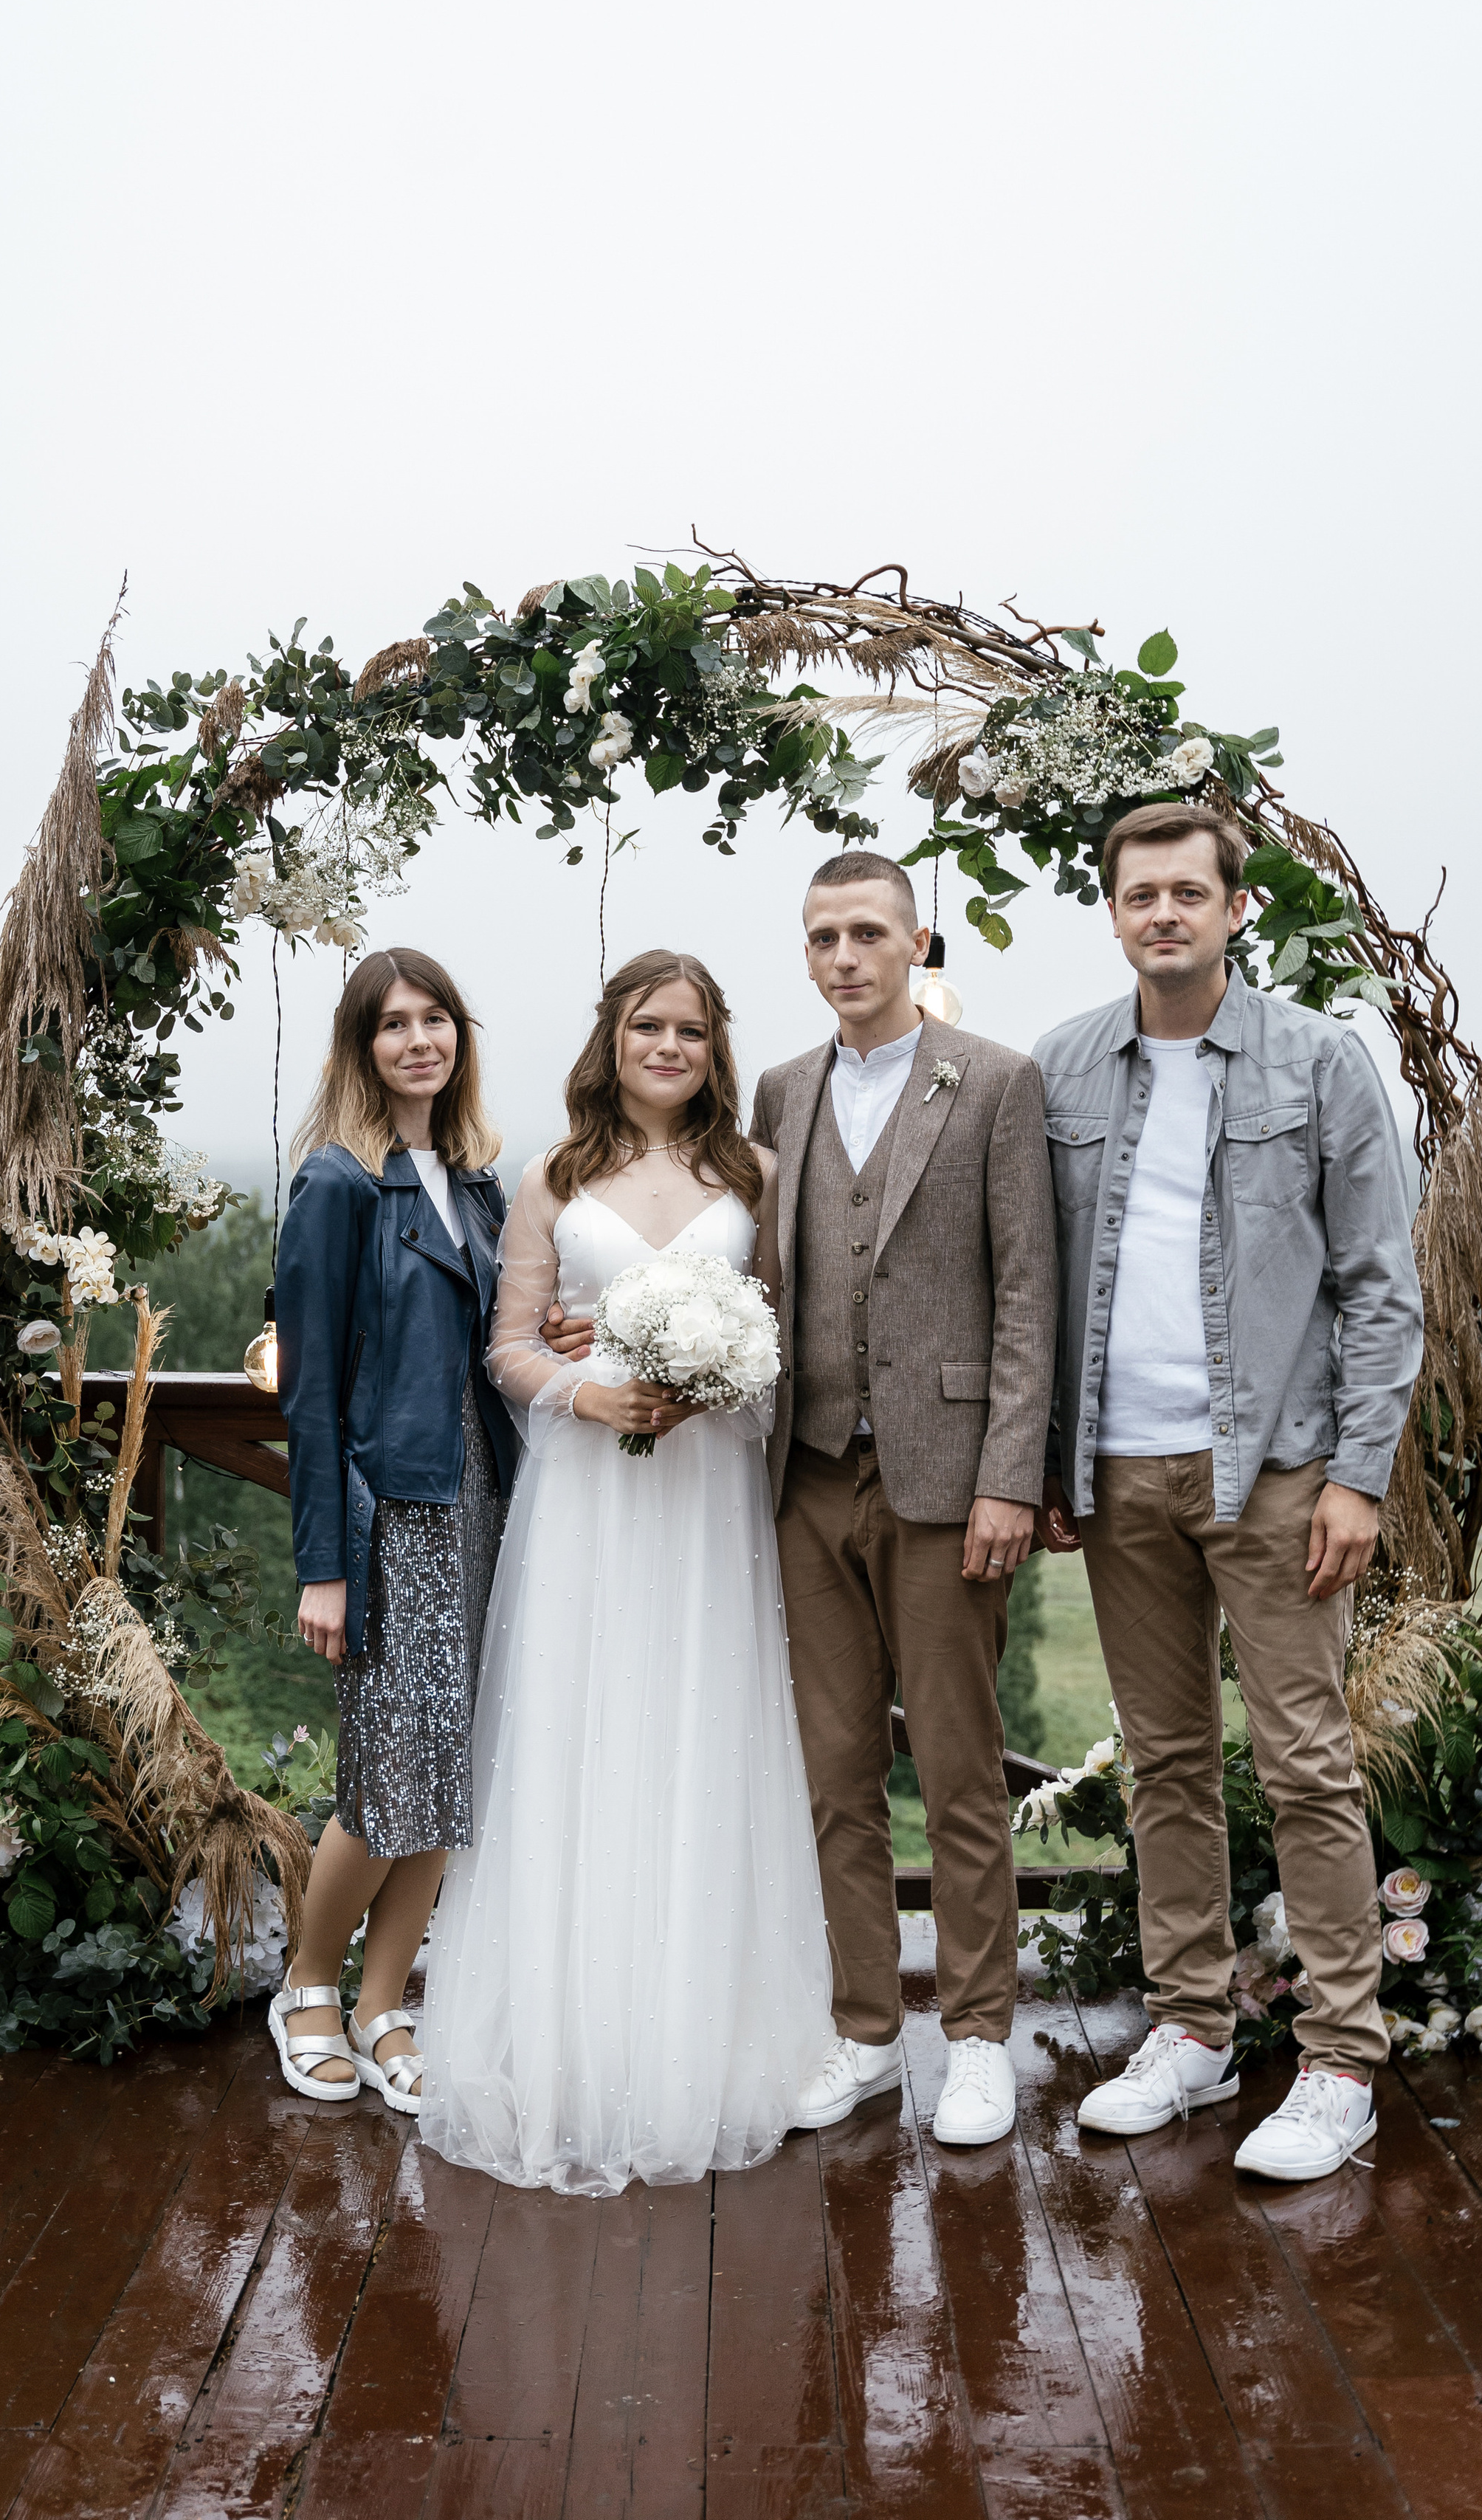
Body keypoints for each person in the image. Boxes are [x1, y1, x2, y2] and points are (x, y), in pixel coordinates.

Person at [1035, 802, 1422, 2181]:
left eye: (1191, 892)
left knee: (1307, 1764)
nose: (1166, 914)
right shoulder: (1067, 1068)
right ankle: (1194, 2030)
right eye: (1142, 894)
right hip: (1121, 1469)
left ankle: (1338, 2062)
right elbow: (1035, 1284)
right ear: (1115, 911)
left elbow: (1382, 1289)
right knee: (1166, 1764)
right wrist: (1048, 1465)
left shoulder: (1319, 1063)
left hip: (1276, 1472)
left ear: (1235, 911)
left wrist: (1358, 1478)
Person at [417, 951, 835, 2196]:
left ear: (715, 1049)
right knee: (582, 1737)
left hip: (708, 1496)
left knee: (697, 1736)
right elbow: (506, 1349)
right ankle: (572, 2037)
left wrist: (715, 1382)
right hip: (589, 1499)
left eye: (692, 1032)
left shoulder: (753, 1173)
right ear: (612, 1037)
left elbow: (781, 1332)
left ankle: (703, 2031)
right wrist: (594, 1391)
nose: (669, 1047)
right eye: (647, 1025)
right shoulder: (556, 1175)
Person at [742, 851, 1058, 2147]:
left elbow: (1031, 1290)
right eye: (823, 937)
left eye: (869, 933)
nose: (845, 957)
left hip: (945, 1479)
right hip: (807, 1472)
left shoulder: (993, 1079)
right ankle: (867, 2028)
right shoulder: (779, 1090)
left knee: (962, 1768)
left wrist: (1010, 1480)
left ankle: (979, 2033)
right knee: (834, 1771)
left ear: (916, 945)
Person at [268, 949, 519, 2110]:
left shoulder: (475, 1184)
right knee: (386, 1773)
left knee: (450, 1770)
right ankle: (308, 1983)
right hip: (392, 1507)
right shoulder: (337, 1183)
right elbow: (310, 1392)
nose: (420, 1041)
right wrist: (323, 1565)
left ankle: (383, 2005)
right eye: (393, 1025)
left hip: (480, 1496)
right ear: (361, 1048)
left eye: (436, 1021)